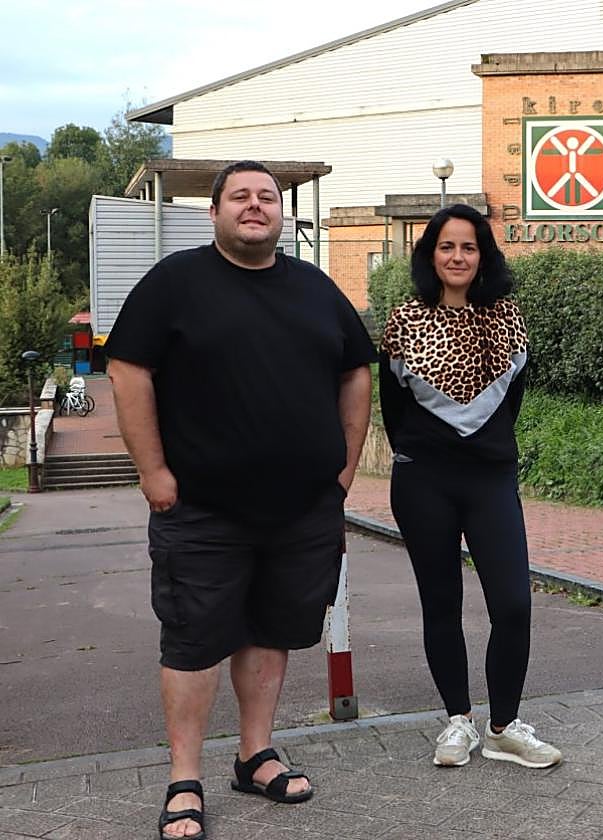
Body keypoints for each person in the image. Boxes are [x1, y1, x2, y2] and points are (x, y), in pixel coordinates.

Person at [106, 160, 375, 840]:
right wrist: (152, 471)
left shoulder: (314, 288)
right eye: (240, 197)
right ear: (216, 213)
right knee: (194, 639)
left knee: (273, 630)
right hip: (200, 509)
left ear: (281, 213)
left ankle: (255, 753)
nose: (255, 206)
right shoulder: (175, 284)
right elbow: (127, 369)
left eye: (267, 197)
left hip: (299, 511)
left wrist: (342, 471)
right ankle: (184, 779)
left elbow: (355, 371)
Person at [379, 203, 561, 769]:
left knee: (513, 603)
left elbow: (510, 407)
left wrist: (481, 451)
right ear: (430, 255)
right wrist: (420, 456)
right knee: (442, 603)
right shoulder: (403, 322)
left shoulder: (509, 321)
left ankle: (504, 726)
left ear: (483, 256)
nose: (457, 257)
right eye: (446, 247)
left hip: (490, 481)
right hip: (423, 482)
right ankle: (457, 722)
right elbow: (394, 413)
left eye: (469, 247)